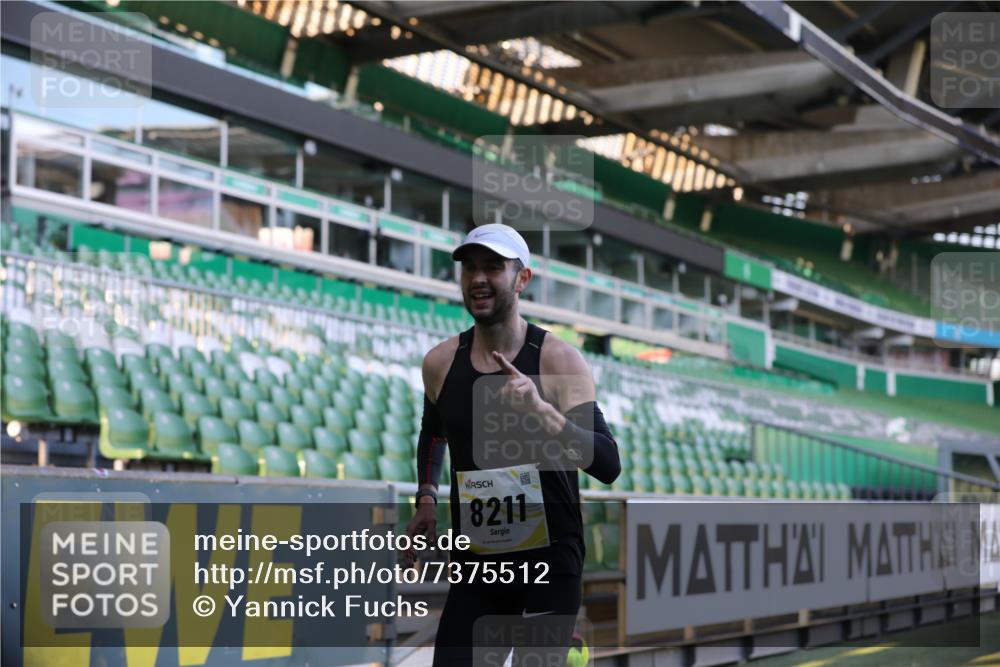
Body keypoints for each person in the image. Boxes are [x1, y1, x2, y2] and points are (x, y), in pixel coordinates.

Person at [406, 223, 621, 666]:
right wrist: (426, 498)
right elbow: (434, 432)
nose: (478, 278)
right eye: (470, 268)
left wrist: (544, 413)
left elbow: (607, 463)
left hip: (550, 561)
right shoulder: (440, 363)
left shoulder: (558, 359)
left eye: (493, 267)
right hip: (478, 561)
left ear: (522, 279)